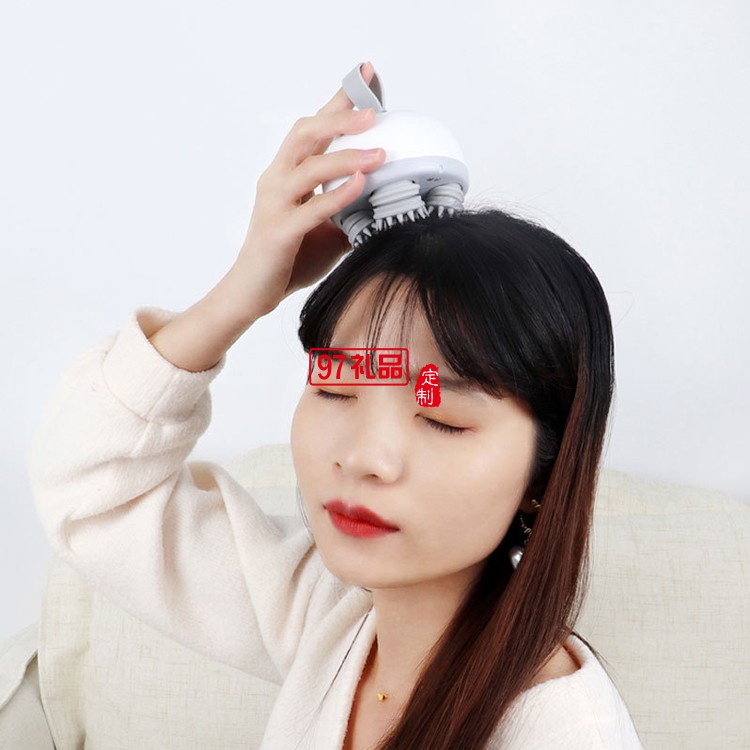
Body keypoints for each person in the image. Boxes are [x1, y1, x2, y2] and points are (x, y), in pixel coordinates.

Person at [28, 62, 644, 749]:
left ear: (544, 473)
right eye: (337, 387)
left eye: (440, 416)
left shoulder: (563, 733)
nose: (363, 457)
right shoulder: (335, 619)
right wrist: (241, 293)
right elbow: (93, 490)